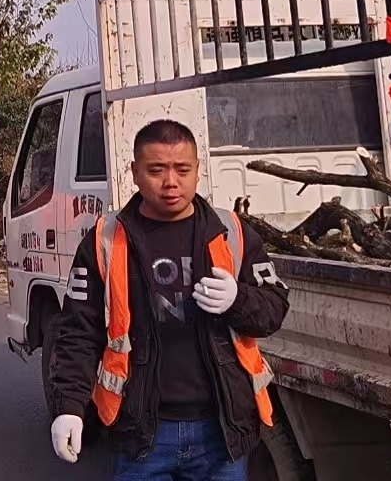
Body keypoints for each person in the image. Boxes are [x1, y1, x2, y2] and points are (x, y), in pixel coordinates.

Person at [46, 120, 289, 480]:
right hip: (143, 433)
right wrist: (69, 407)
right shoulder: (106, 240)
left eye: (182, 170)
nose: (171, 182)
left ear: (197, 171)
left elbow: (273, 310)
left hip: (221, 431)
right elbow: (78, 332)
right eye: (156, 170)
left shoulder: (232, 234)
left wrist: (238, 300)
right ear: (134, 172)